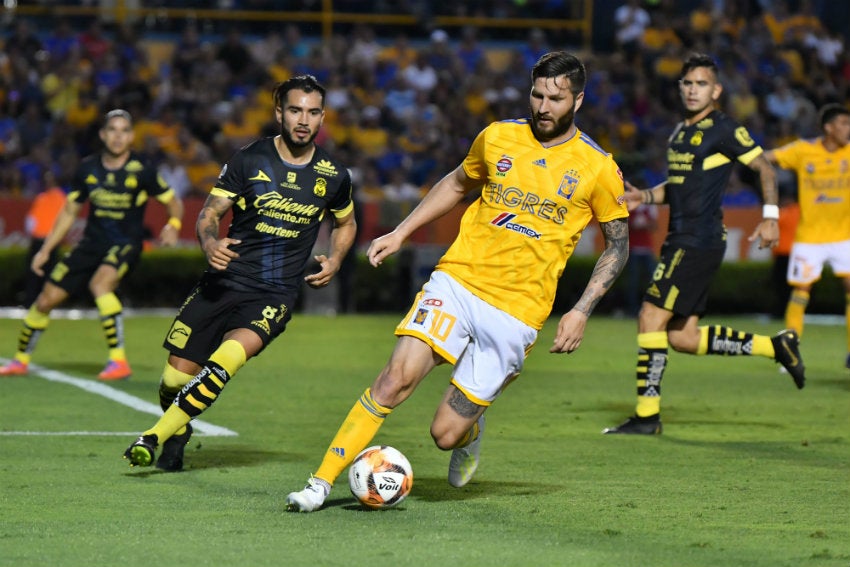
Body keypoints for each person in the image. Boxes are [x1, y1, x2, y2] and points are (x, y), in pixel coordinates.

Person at [285, 51, 630, 513]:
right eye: (537, 94)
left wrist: (581, 309)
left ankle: (471, 432)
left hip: (518, 311)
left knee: (444, 434)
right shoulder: (498, 137)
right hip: (459, 281)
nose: (544, 106)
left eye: (556, 98)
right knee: (394, 381)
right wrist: (401, 232)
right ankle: (320, 484)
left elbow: (618, 245)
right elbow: (455, 183)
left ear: (578, 100)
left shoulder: (597, 167)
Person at [122, 75, 357, 472]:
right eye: (295, 110)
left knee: (227, 360)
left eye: (313, 112)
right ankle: (178, 431)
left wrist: (335, 258)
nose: (304, 120)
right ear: (279, 112)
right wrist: (210, 243)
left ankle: (153, 436)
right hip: (224, 282)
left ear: (322, 118)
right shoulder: (249, 159)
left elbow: (346, 223)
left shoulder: (334, 175)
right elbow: (209, 214)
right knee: (173, 381)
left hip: (274, 294)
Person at [603, 53, 806, 436]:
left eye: (700, 84)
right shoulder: (679, 131)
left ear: (716, 90)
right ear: (680, 88)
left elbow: (764, 167)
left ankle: (647, 417)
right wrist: (644, 196)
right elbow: (679, 186)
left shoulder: (725, 128)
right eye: (687, 83)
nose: (693, 90)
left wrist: (770, 217)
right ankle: (777, 347)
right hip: (683, 237)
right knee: (683, 337)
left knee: (649, 316)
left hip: (698, 239)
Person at [0, 109, 184, 381]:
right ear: (103, 135)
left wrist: (174, 226)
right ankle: (21, 360)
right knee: (45, 299)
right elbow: (69, 212)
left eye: (124, 131)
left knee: (100, 284)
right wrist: (46, 250)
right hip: (91, 243)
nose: (118, 136)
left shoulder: (142, 170)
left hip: (124, 243)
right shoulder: (88, 168)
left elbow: (173, 202)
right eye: (113, 130)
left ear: (131, 136)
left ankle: (118, 361)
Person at [763, 103, 850, 368]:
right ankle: (789, 352)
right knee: (801, 290)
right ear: (828, 127)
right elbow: (769, 157)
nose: (848, 129)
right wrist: (737, 153)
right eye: (844, 124)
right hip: (810, 236)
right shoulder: (803, 150)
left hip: (844, 236)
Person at [19, 171, 66, 306]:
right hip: (43, 240)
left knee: (43, 273)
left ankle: (41, 302)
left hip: (48, 241)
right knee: (40, 273)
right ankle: (35, 302)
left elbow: (31, 220)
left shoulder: (56, 198)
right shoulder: (46, 197)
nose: (47, 182)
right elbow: (32, 219)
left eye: (49, 180)